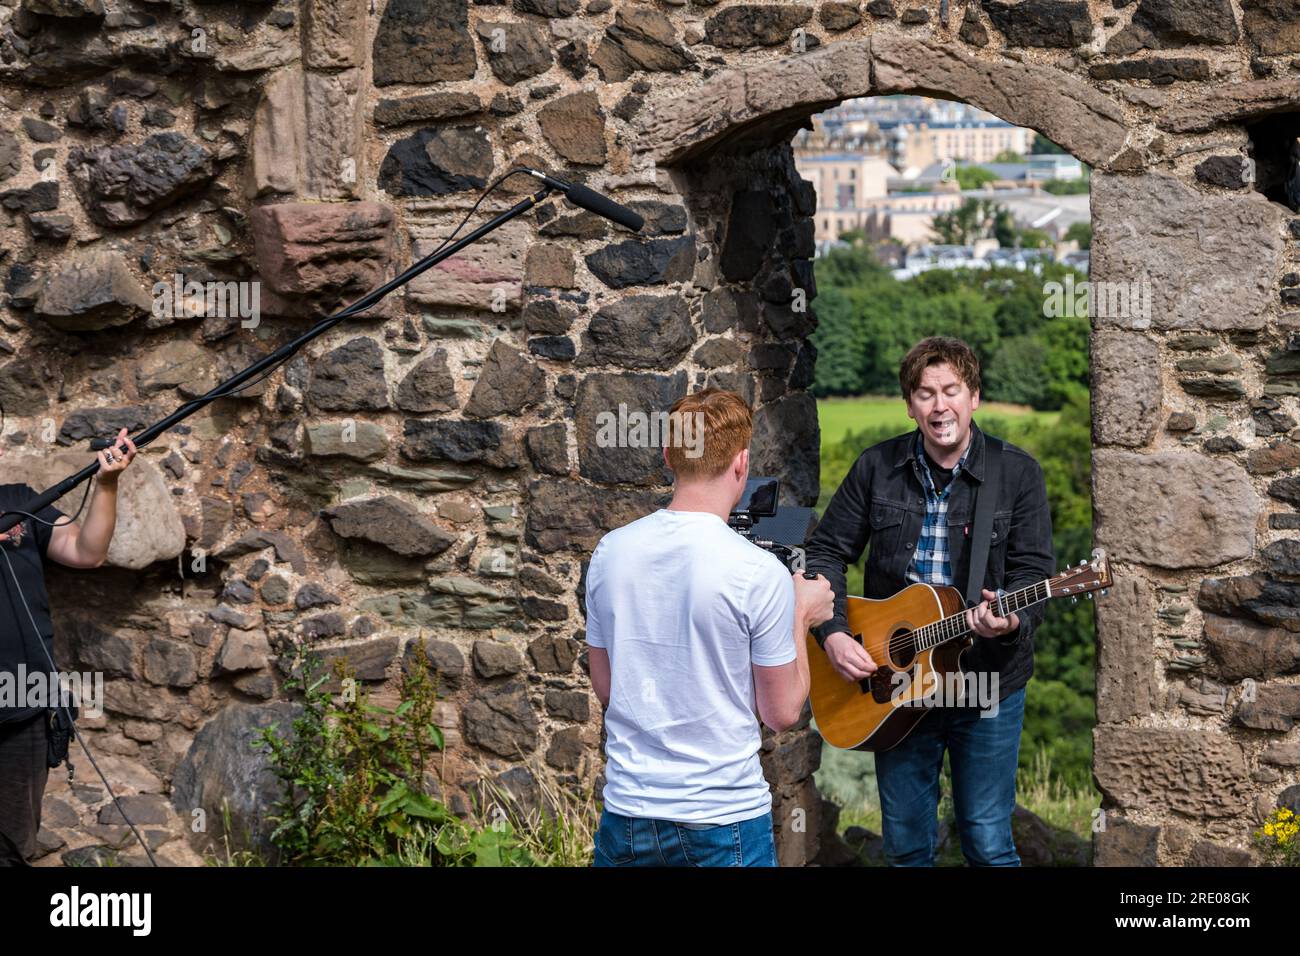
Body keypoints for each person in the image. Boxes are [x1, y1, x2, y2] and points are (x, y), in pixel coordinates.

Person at [804, 336, 1055, 866]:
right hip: (894, 682)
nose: (939, 406)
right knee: (906, 848)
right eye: (925, 393)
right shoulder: (878, 467)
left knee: (987, 841)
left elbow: (1034, 574)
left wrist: (1009, 622)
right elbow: (825, 550)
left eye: (951, 391)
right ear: (910, 405)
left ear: (974, 397)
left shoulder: (1017, 473)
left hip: (986, 679)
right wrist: (833, 635)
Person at [584, 388, 834, 867]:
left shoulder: (610, 552)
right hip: (723, 818)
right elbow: (781, 713)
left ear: (668, 457)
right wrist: (799, 616)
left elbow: (608, 687)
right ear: (742, 464)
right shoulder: (758, 571)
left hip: (629, 813)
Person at [0, 427, 137, 865]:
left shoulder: (21, 501)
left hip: (22, 699)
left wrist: (107, 483)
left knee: (11, 845)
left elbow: (86, 551)